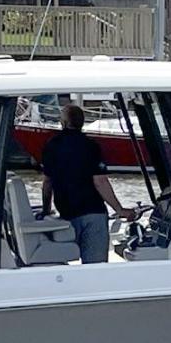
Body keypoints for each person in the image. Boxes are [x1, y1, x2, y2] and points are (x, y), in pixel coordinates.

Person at [39, 104, 136, 264]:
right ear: (82, 123)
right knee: (95, 266)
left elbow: (47, 182)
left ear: (63, 122)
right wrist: (119, 209)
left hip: (67, 214)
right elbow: (100, 181)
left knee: (62, 262)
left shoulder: (52, 145)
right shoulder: (91, 145)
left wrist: (46, 210)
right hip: (93, 212)